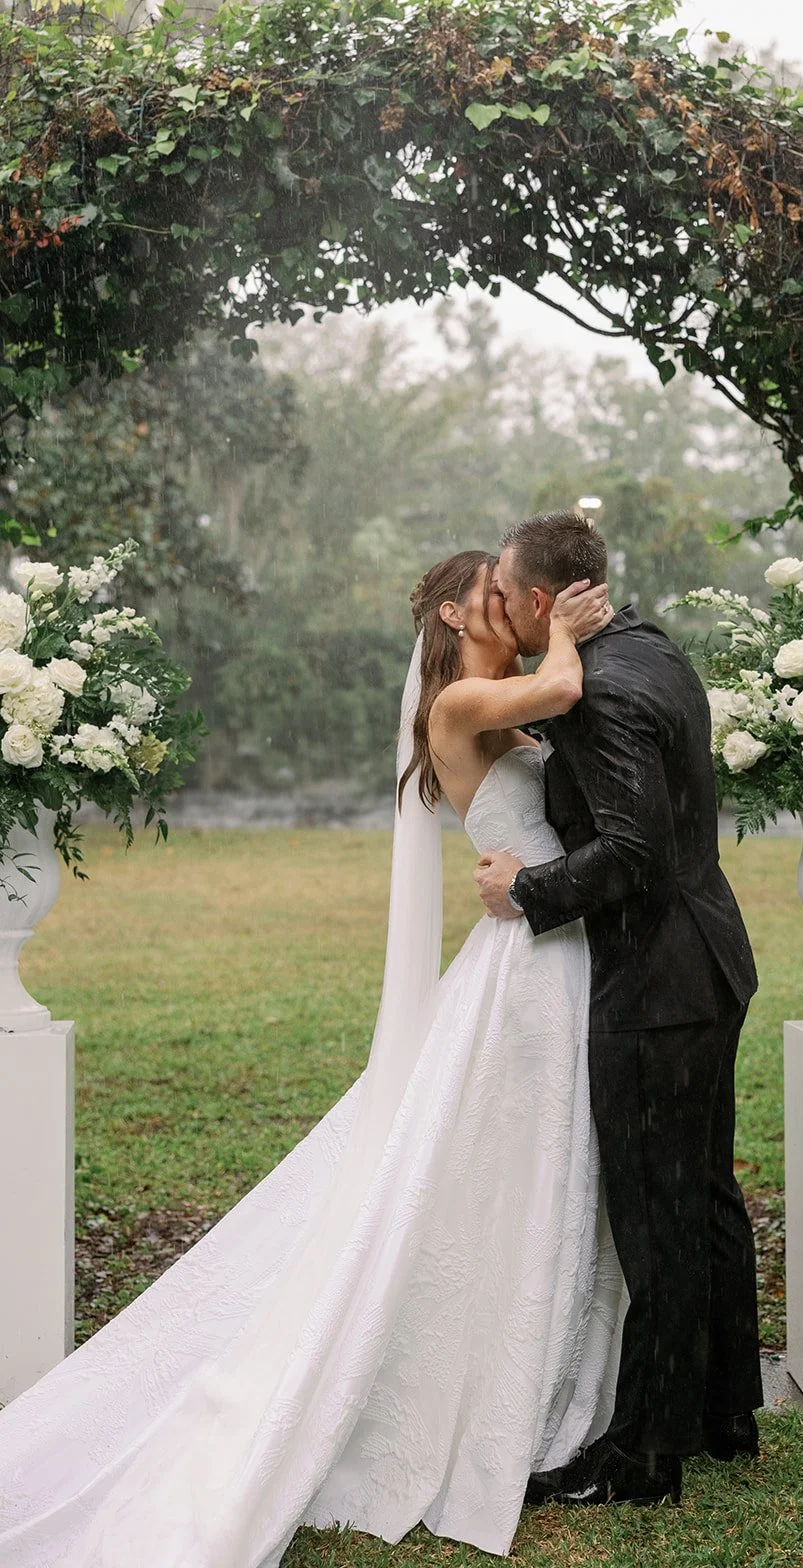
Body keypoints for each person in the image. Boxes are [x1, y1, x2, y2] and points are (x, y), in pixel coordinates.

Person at [0, 550, 625, 1565]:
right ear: (459, 612)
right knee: (508, 1151)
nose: (512, 603)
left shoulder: (502, 701)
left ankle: (549, 1363)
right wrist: (569, 629)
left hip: (551, 931)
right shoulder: (459, 704)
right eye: (496, 591)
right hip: (523, 957)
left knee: (533, 1157)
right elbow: (561, 688)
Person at [476, 511, 764, 1508]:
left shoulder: (598, 692)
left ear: (541, 600)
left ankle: (643, 1452)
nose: (496, 603)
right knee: (707, 1196)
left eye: (503, 591)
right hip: (710, 959)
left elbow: (633, 851)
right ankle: (724, 1411)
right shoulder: (653, 647)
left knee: (657, 1215)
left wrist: (527, 889)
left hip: (657, 984)